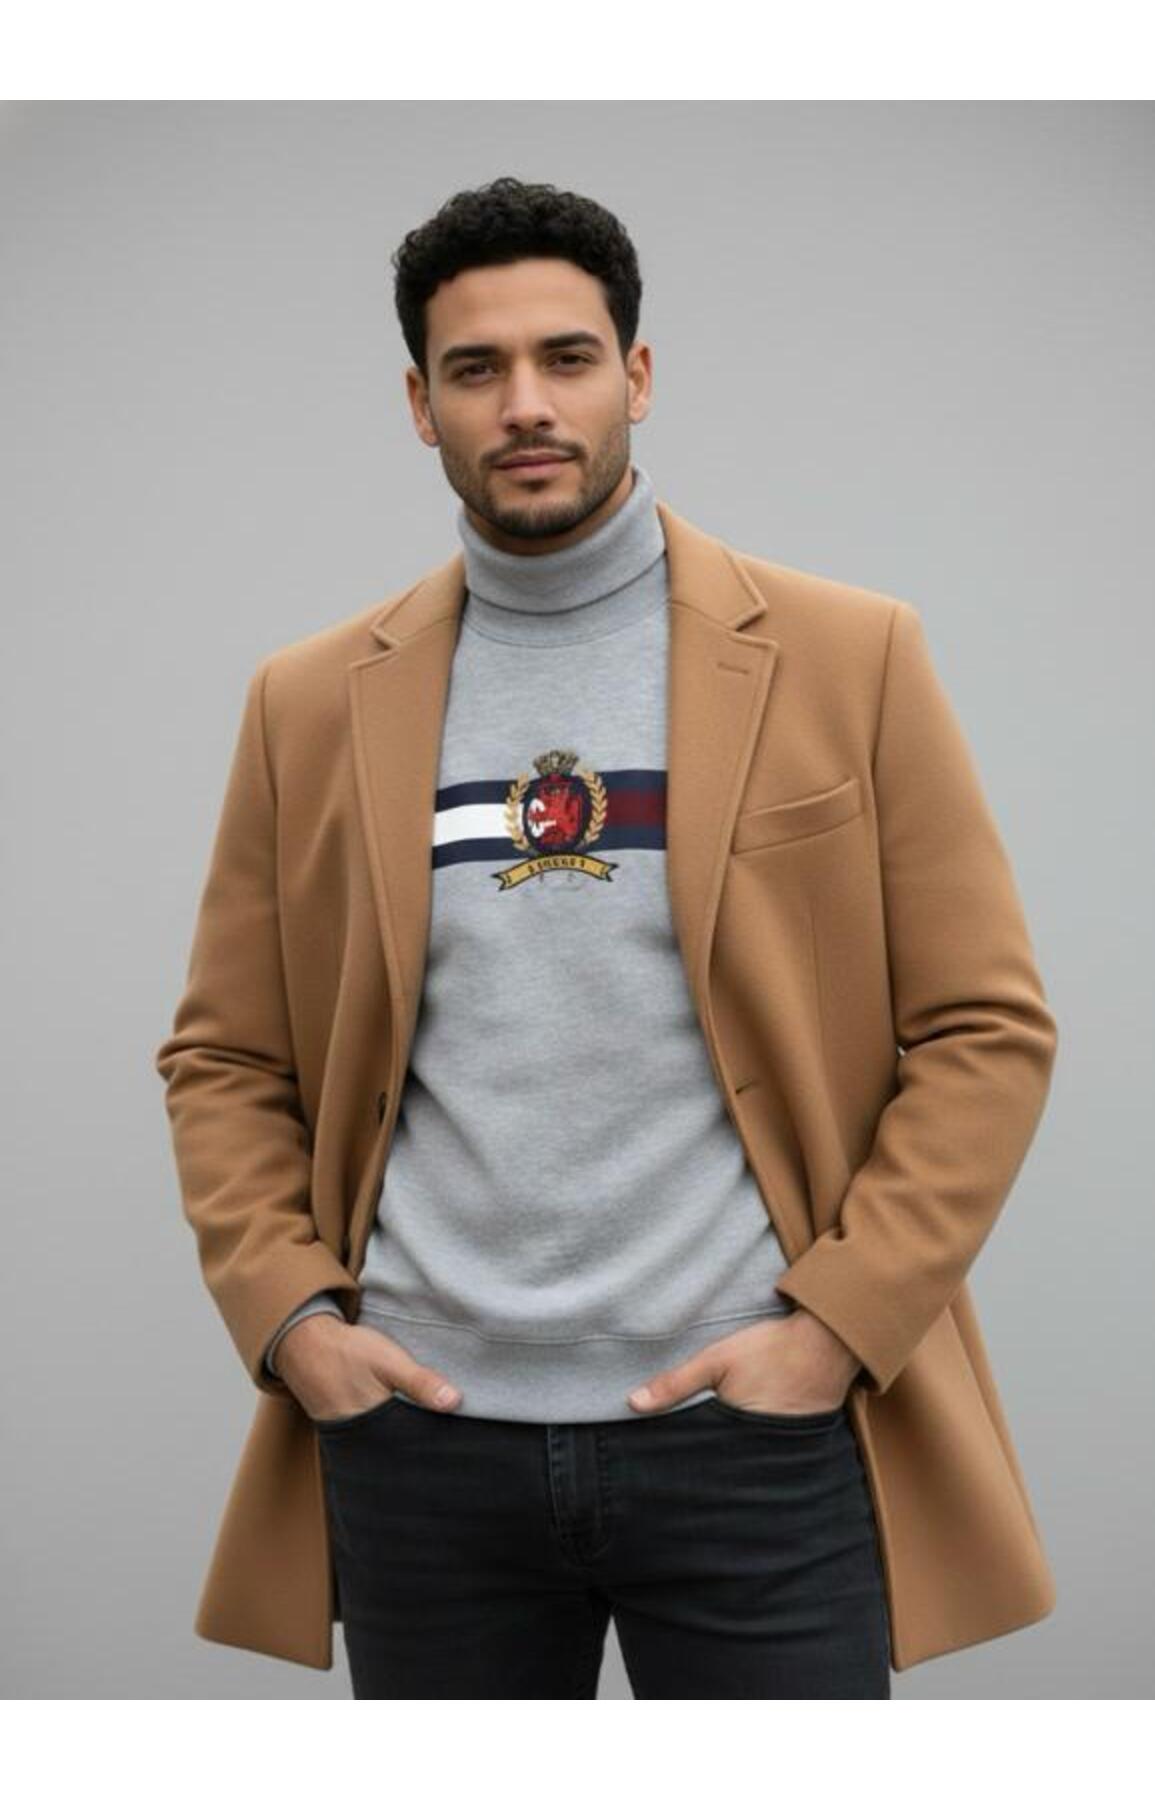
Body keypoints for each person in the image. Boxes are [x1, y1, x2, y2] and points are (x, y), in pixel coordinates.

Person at [155, 176, 1058, 1698]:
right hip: (424, 1447)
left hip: (754, 1434)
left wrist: (836, 1330)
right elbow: (225, 1056)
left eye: (566, 358)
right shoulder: (307, 703)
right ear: (421, 405)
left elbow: (987, 1030)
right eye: (476, 368)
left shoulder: (848, 657)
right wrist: (296, 1320)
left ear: (636, 376)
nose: (525, 403)